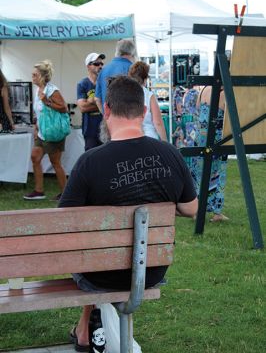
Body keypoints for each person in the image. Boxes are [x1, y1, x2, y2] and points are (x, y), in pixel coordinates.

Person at [58, 75, 198, 351]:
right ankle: (87, 327)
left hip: (102, 274)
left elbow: (63, 224)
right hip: (150, 270)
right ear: (144, 112)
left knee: (91, 250)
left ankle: (88, 327)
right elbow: (191, 208)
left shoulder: (89, 162)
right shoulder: (170, 154)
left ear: (106, 110)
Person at [23, 60, 68, 201]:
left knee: (56, 163)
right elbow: (39, 113)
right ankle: (39, 191)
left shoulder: (52, 90)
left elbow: (64, 108)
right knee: (35, 157)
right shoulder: (38, 90)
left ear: (42, 76)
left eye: (35, 75)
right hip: (42, 132)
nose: (32, 77)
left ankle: (66, 194)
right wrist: (36, 127)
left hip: (53, 132)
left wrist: (46, 101)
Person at [195, 85, 229, 222]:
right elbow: (228, 116)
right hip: (217, 138)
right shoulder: (224, 93)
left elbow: (198, 108)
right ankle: (217, 213)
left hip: (201, 135)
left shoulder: (204, 89)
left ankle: (196, 210)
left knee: (200, 173)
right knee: (218, 173)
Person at [128, 61, 167, 141]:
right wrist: (165, 142)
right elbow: (158, 122)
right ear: (145, 79)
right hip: (149, 138)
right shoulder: (149, 95)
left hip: (130, 137)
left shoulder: (124, 94)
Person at [95, 39, 136, 113]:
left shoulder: (103, 70)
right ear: (132, 52)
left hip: (109, 120)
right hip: (128, 119)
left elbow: (97, 99)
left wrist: (106, 116)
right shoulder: (134, 70)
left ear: (117, 51)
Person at [77, 52, 105, 150]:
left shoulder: (106, 82)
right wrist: (101, 102)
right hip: (90, 131)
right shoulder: (83, 84)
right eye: (96, 64)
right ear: (88, 66)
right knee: (91, 161)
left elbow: (112, 104)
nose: (100, 66)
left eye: (101, 64)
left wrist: (91, 101)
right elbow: (82, 107)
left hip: (106, 129)